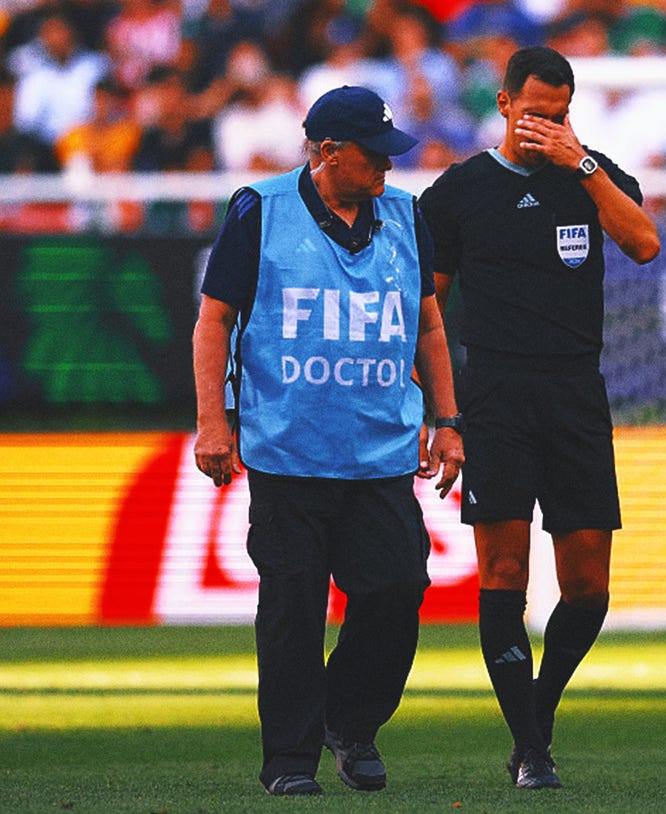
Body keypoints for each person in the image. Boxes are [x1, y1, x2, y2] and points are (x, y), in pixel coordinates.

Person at [191, 85, 463, 796]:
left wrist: (448, 420)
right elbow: (214, 319)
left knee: (398, 589)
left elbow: (429, 325)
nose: (386, 168)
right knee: (292, 608)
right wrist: (213, 421)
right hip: (287, 451)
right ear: (326, 153)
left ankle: (350, 720)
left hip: (381, 452)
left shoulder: (405, 214)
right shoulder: (261, 210)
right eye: (373, 155)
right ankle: (289, 759)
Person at [419, 45, 660, 790]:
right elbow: (427, 305)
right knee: (504, 570)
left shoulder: (591, 175)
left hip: (575, 392)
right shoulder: (457, 193)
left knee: (588, 585)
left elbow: (645, 244)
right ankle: (532, 749)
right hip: (494, 394)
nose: (545, 128)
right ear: (502, 105)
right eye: (533, 115)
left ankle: (539, 718)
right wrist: (444, 413)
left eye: (557, 116)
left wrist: (580, 163)